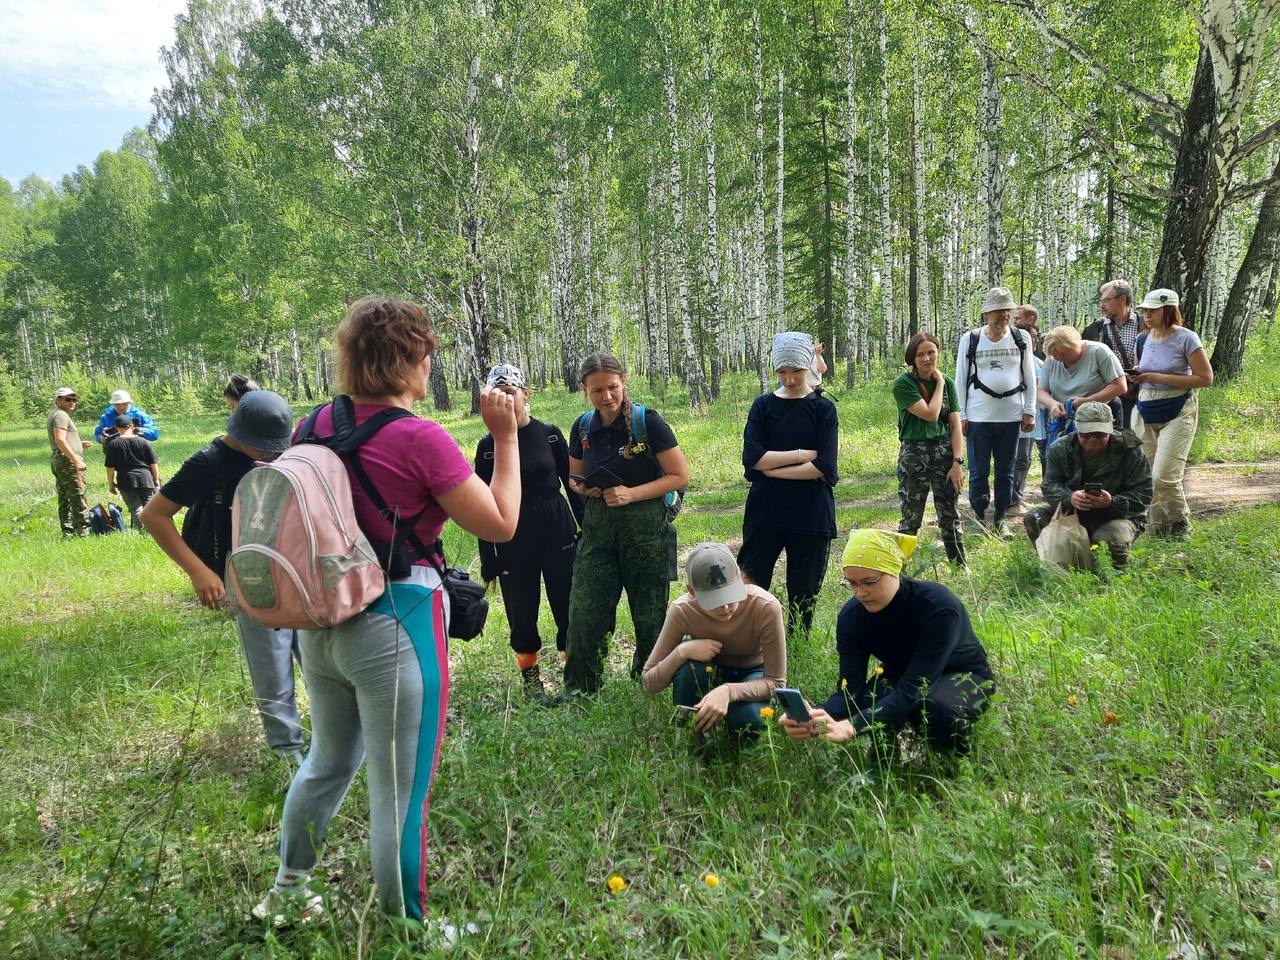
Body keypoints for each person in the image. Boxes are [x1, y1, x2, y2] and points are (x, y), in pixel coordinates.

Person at [251, 298, 521, 926]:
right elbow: (502, 524)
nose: (431, 364)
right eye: (427, 352)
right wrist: (505, 437)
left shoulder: (313, 425)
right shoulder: (418, 437)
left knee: (325, 762)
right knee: (399, 794)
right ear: (411, 359)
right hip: (398, 625)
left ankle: (287, 893)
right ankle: (409, 927)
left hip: (322, 622)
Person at [142, 391, 306, 762]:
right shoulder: (208, 462)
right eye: (262, 448)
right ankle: (286, 748)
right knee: (269, 659)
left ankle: (330, 733)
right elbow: (154, 515)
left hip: (294, 565)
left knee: (314, 652)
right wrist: (198, 571)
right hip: (244, 571)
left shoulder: (287, 452)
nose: (270, 454)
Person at [778, 530, 994, 755]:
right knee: (872, 701)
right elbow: (850, 693)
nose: (860, 593)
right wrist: (815, 717)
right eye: (851, 583)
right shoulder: (852, 618)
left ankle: (965, 761)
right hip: (903, 674)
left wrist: (853, 725)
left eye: (869, 582)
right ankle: (884, 767)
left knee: (933, 707)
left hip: (963, 674)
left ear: (895, 570)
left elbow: (914, 689)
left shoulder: (938, 606)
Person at [562, 352, 690, 695]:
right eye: (597, 390)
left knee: (650, 615)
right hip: (598, 532)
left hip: (646, 530)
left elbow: (679, 476)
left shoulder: (649, 422)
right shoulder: (583, 426)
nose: (606, 396)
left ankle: (652, 681)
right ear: (585, 391)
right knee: (585, 611)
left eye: (612, 387)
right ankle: (581, 688)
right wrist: (583, 486)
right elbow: (575, 477)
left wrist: (632, 494)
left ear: (624, 382)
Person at [474, 363, 583, 691]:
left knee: (567, 600)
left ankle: (574, 675)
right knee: (520, 608)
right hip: (512, 536)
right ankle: (531, 680)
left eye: (509, 393)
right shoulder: (487, 446)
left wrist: (587, 530)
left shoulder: (549, 434)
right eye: (496, 395)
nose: (504, 400)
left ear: (525, 394)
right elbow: (483, 505)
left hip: (557, 526)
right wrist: (488, 560)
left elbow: (572, 484)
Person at [739, 332, 839, 632]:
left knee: (803, 595)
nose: (790, 378)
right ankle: (747, 644)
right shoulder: (763, 406)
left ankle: (796, 649)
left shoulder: (823, 408)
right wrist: (799, 456)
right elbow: (752, 458)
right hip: (764, 514)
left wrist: (773, 470)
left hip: (810, 516)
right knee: (750, 589)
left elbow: (824, 466)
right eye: (782, 371)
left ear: (809, 365)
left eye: (796, 370)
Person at [640, 542, 786, 737]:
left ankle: (734, 734)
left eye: (730, 596)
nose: (725, 608)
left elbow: (776, 682)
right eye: (714, 601)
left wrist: (728, 691)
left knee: (748, 719)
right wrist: (681, 652)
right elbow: (649, 683)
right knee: (689, 669)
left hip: (752, 674)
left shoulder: (765, 606)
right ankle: (692, 735)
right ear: (692, 592)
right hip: (708, 670)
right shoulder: (683, 610)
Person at [1023, 401, 1152, 567]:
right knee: (1034, 517)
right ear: (1077, 427)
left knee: (1110, 540)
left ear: (1111, 426)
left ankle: (1109, 578)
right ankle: (1053, 562)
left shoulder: (1130, 451)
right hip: (1073, 513)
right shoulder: (1061, 448)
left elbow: (1145, 494)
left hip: (1117, 516)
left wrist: (1112, 502)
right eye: (1086, 434)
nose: (1093, 439)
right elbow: (1049, 486)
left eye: (1100, 434)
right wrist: (1069, 498)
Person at [1130, 288, 1214, 538]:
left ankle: (1180, 524)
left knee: (1164, 476)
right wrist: (1135, 375)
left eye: (1152, 311)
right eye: (1144, 311)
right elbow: (1140, 366)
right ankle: (1159, 527)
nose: (1147, 315)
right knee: (1146, 474)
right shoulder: (1142, 339)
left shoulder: (1186, 338)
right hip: (1145, 408)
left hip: (1178, 409)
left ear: (1168, 311)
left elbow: (1205, 378)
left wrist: (1160, 378)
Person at [955, 286, 1037, 538]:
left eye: (1008, 310)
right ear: (987, 313)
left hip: (1011, 417)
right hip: (979, 417)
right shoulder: (970, 339)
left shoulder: (1021, 338)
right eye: (999, 310)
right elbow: (960, 378)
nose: (1004, 315)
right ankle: (979, 519)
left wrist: (1029, 409)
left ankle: (1000, 519)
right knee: (979, 471)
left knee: (1006, 471)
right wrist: (962, 415)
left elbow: (1030, 376)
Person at [891, 332, 965, 566]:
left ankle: (958, 564)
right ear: (912, 358)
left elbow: (955, 425)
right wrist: (940, 383)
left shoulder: (950, 382)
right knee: (911, 517)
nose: (926, 359)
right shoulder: (903, 384)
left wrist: (957, 463)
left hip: (944, 452)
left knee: (950, 513)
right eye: (920, 354)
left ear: (938, 353)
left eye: (931, 352)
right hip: (914, 454)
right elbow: (931, 414)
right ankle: (900, 569)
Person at [1037, 324, 1128, 439]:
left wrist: (1087, 401)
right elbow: (1042, 390)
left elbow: (1120, 386)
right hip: (1067, 418)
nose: (1058, 359)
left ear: (1076, 345)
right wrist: (1052, 404)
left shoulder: (1099, 352)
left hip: (1100, 417)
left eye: (1063, 355)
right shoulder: (1052, 359)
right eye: (1054, 356)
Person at [1011, 313, 1047, 512]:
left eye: (1036, 337)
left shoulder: (1033, 359)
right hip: (1020, 415)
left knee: (1025, 457)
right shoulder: (1016, 358)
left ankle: (1017, 495)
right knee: (1019, 457)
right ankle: (1012, 501)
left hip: (1034, 417)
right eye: (1034, 337)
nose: (1036, 341)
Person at [1096, 280, 1144, 428]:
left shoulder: (1144, 325)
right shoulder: (1097, 327)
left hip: (1139, 391)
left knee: (1136, 435)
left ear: (1122, 299)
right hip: (1106, 391)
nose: (1102, 305)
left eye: (1106, 300)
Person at [47, 387, 92, 537]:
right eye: (68, 399)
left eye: (74, 399)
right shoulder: (61, 415)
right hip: (67, 462)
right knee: (78, 495)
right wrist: (76, 460)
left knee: (65, 496)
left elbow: (62, 439)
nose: (72, 402)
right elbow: (60, 439)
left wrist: (78, 443)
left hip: (60, 459)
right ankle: (83, 533)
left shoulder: (57, 414)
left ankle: (68, 531)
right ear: (58, 400)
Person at [103, 414, 160, 530]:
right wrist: (156, 479)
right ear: (132, 426)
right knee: (149, 506)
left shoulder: (113, 444)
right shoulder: (143, 441)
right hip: (145, 477)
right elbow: (153, 463)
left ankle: (144, 532)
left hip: (126, 480)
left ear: (116, 427)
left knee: (136, 508)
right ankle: (154, 531)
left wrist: (111, 484)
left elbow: (110, 467)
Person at [94, 389, 159, 444]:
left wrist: (140, 430)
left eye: (124, 404)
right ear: (113, 404)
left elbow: (154, 434)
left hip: (137, 450)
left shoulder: (139, 415)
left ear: (129, 403)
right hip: (114, 450)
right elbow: (98, 434)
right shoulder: (106, 416)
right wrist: (101, 438)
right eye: (117, 404)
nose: (121, 407)